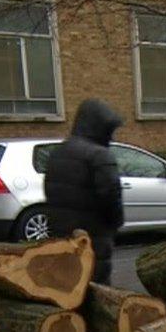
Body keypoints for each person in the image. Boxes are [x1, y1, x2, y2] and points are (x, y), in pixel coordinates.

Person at [44, 99, 124, 284]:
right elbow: (111, 196)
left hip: (61, 236)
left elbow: (50, 192)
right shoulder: (100, 156)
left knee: (68, 286)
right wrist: (114, 224)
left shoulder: (58, 153)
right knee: (97, 287)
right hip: (94, 236)